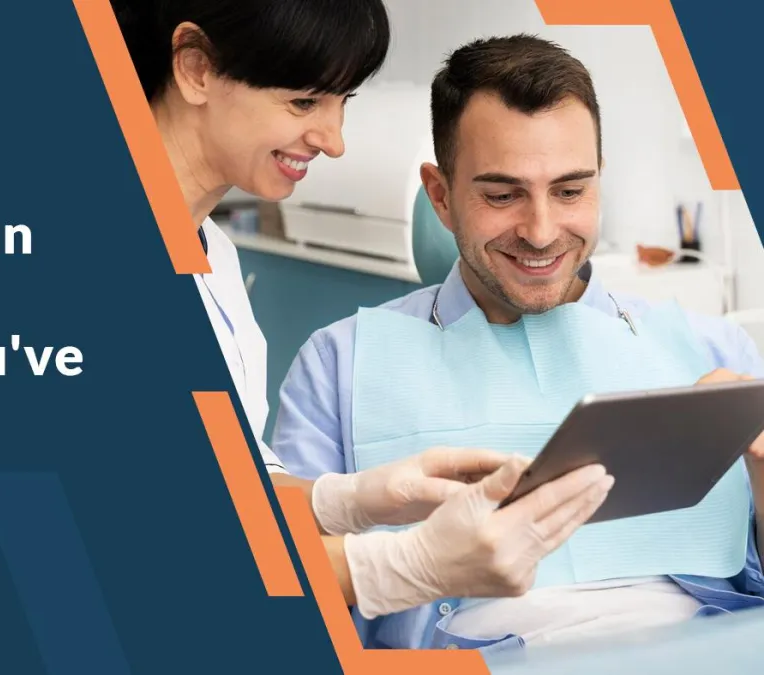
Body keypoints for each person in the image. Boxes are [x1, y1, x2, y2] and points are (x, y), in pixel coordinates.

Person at [112, 0, 613, 612]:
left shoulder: (211, 256)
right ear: (195, 68)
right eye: (304, 102)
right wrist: (401, 566)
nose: (334, 141)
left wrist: (346, 500)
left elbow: (220, 496)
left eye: (342, 101)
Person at [270, 33, 764, 652]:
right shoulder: (339, 366)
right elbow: (273, 590)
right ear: (441, 196)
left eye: (570, 190)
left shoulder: (716, 352)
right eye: (502, 195)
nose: (541, 231)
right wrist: (405, 563)